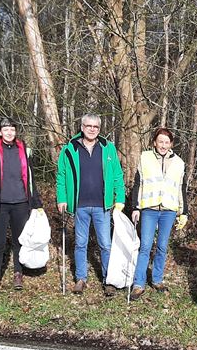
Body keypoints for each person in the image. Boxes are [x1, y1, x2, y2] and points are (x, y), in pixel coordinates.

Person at [56, 114, 126, 296]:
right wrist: (61, 198)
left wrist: (120, 199)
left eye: (95, 126)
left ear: (99, 129)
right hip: (80, 205)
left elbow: (118, 175)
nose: (92, 129)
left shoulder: (108, 148)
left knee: (105, 244)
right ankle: (81, 279)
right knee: (80, 243)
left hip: (102, 206)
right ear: (82, 127)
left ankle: (108, 280)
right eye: (88, 126)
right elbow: (61, 176)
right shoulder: (70, 149)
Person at [0, 117, 43, 293]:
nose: (9, 132)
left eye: (12, 129)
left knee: (20, 242)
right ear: (0, 132)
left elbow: (31, 179)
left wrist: (36, 202)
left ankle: (18, 274)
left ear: (16, 131)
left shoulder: (24, 151)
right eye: (6, 130)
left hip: (21, 203)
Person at [128, 128, 189, 301]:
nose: (163, 145)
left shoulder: (179, 162)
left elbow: (181, 188)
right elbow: (137, 184)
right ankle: (138, 284)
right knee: (145, 246)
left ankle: (157, 279)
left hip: (169, 210)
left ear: (171, 144)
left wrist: (183, 211)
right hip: (149, 208)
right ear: (154, 142)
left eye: (166, 142)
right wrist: (135, 207)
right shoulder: (145, 157)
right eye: (160, 141)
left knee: (162, 246)